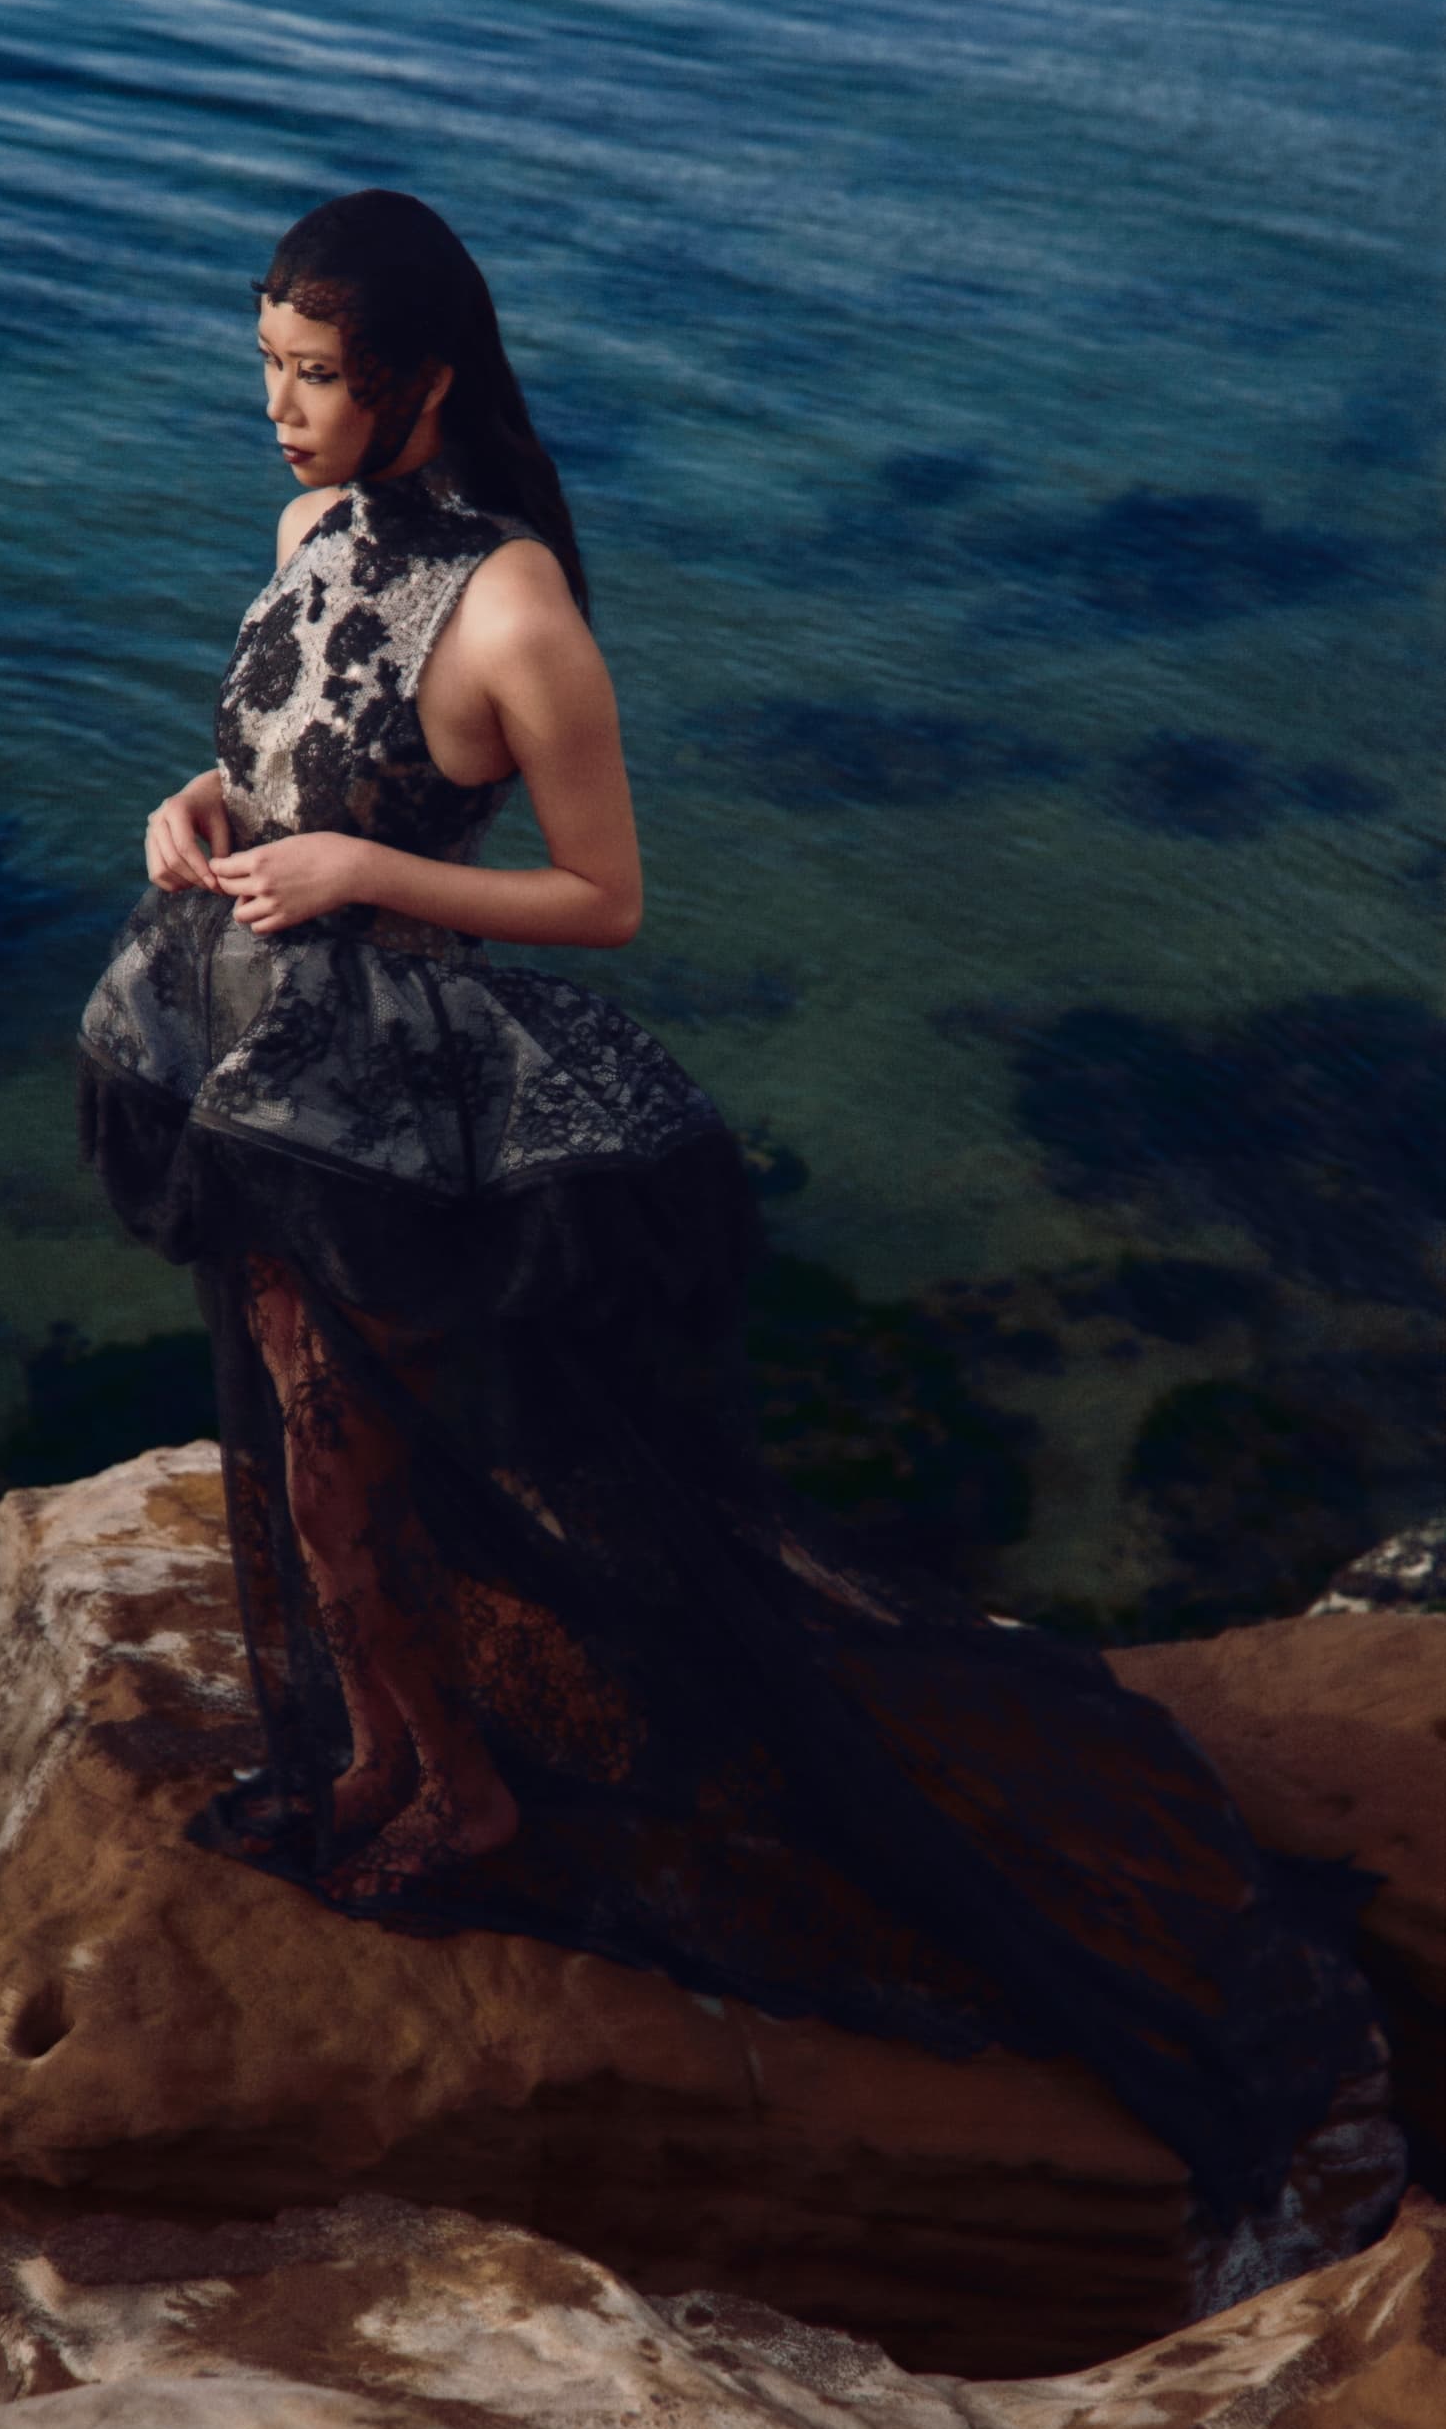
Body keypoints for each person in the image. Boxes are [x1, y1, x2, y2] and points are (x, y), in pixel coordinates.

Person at [77, 188, 1397, 2239]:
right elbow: (264, 753)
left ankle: (462, 1783)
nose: (276, 412)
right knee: (301, 1420)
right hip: (245, 1057)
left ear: (424, 377)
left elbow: (599, 901)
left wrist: (359, 878)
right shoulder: (309, 535)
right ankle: (393, 1760)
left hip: (390, 1096)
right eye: (263, 369)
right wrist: (205, 814)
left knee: (363, 1450)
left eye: (313, 376)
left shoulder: (515, 614)